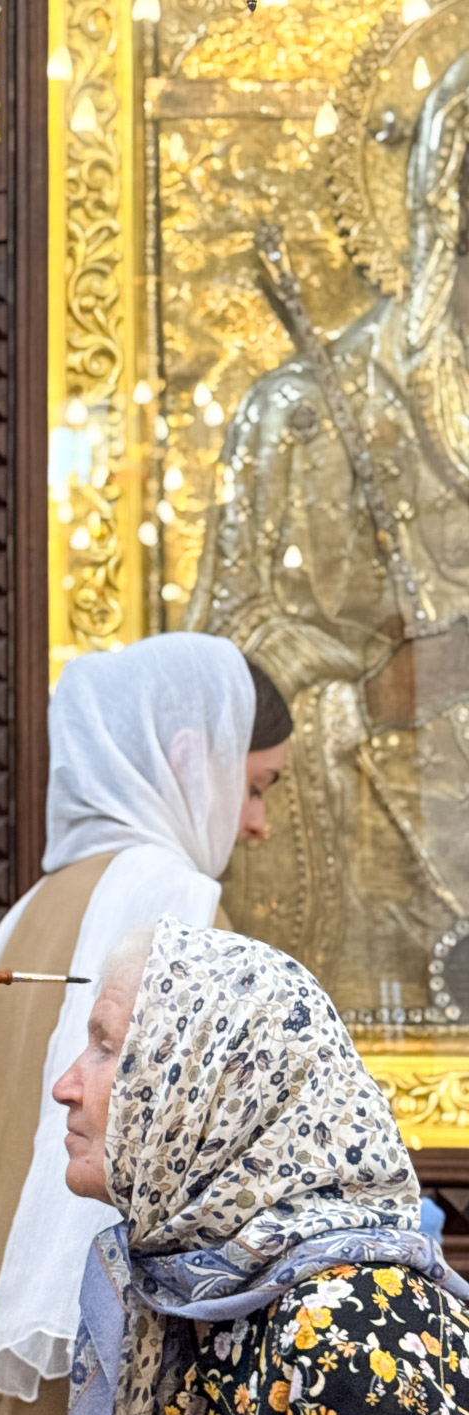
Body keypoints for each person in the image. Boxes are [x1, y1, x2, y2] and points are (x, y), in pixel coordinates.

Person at [0, 633, 292, 1415]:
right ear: (189, 758)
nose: (256, 822)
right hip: (119, 1409)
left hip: (22, 1399)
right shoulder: (174, 907)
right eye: (255, 785)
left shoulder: (28, 911)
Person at [57, 916, 469, 1415]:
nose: (66, 1085)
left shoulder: (347, 1330)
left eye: (106, 1049)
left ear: (209, 1091)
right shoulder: (208, 1300)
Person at [185, 48, 469, 1023]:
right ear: (450, 203)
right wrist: (377, 698)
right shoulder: (307, 420)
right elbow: (219, 710)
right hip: (375, 910)